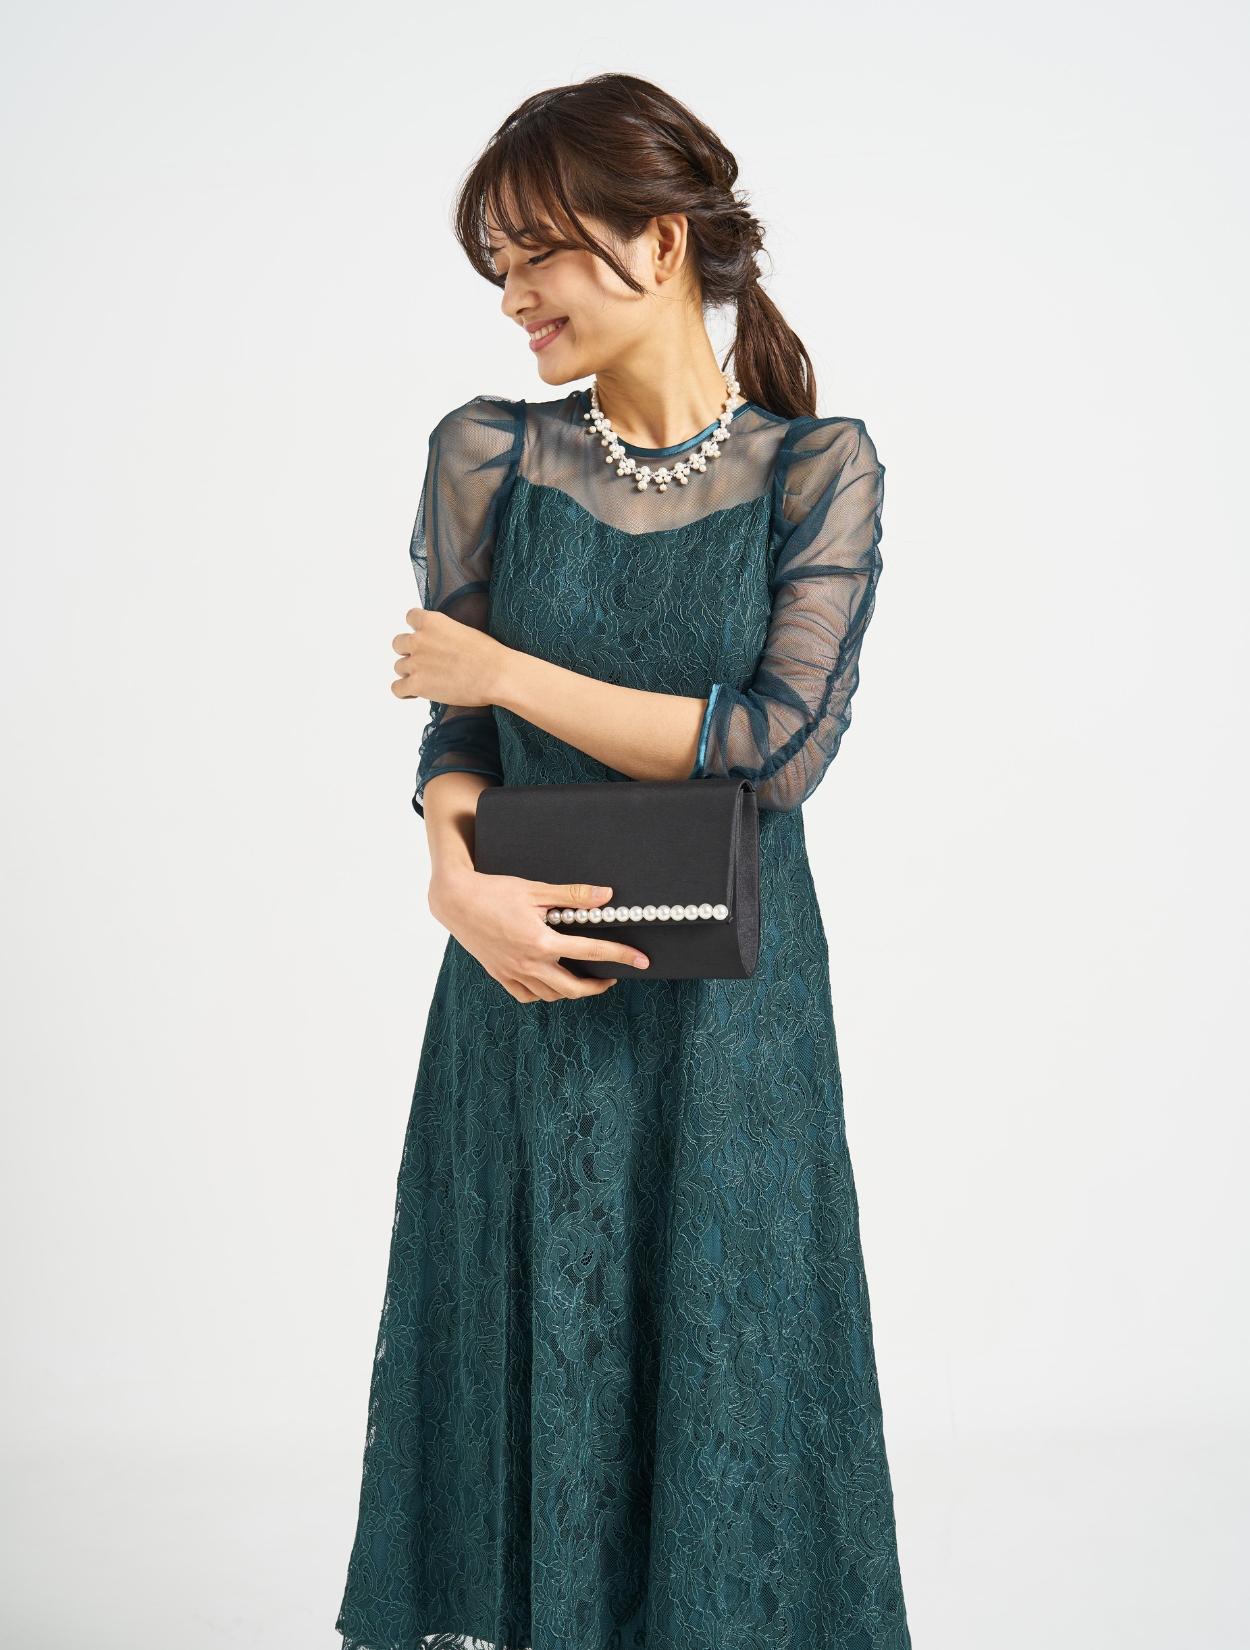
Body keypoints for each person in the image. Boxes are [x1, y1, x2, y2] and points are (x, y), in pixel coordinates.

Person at [336, 70, 912, 1650]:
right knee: (530, 1347)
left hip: (732, 1023)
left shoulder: (818, 468)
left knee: (728, 1362)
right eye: (496, 264)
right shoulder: (485, 453)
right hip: (520, 989)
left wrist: (504, 669)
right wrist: (452, 885)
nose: (512, 295)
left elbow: (773, 747)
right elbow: (451, 740)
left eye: (536, 252)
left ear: (658, 244)